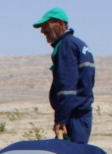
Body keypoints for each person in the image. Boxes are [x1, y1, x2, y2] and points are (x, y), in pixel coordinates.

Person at [32, 8, 95, 144]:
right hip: (81, 115)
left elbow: (67, 88)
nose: (42, 31)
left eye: (45, 25)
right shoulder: (79, 44)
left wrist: (61, 119)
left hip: (72, 117)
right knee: (78, 152)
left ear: (59, 23)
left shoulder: (65, 46)